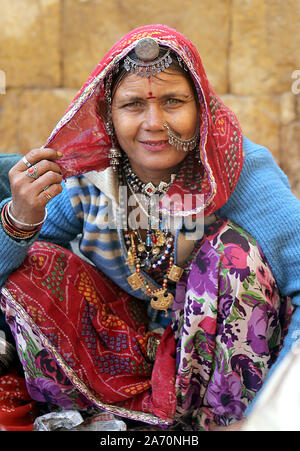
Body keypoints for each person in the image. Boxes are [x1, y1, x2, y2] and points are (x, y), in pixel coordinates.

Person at [0, 24, 297, 431]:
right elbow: (16, 270)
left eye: (173, 101)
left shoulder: (238, 168)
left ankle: (224, 422)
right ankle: (107, 417)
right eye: (133, 105)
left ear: (202, 107)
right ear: (108, 112)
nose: (153, 123)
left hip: (220, 374)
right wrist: (20, 218)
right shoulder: (92, 177)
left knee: (233, 254)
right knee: (35, 259)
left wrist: (272, 410)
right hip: (125, 363)